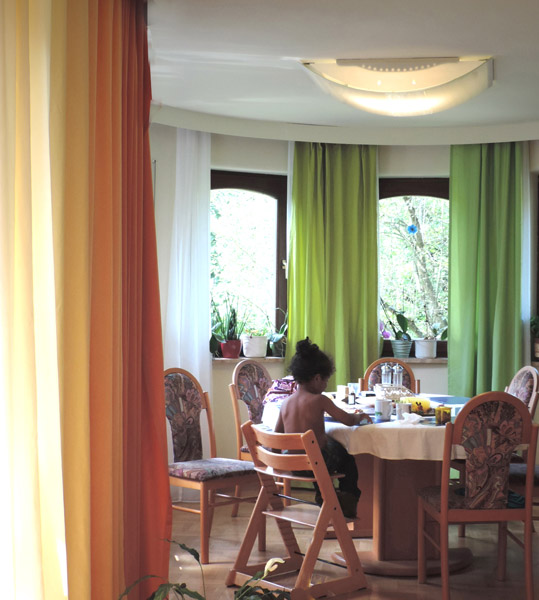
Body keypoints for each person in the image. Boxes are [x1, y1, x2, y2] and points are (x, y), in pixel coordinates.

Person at [274, 338, 371, 518]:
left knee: (319, 450)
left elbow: (276, 437)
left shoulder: (286, 403)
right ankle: (348, 500)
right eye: (326, 380)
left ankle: (324, 495)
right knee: (346, 457)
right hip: (315, 463)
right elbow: (348, 420)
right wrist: (360, 417)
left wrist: (278, 461)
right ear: (317, 378)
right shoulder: (320, 400)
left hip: (292, 464)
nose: (326, 385)